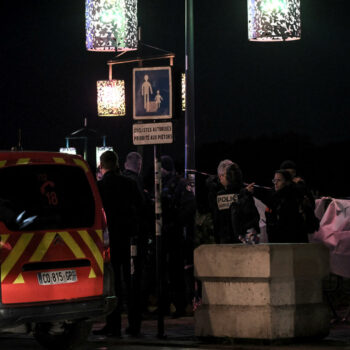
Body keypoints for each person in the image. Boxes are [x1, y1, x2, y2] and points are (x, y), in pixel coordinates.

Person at [94, 150, 143, 337]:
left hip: (108, 241)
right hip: (129, 240)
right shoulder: (129, 184)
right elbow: (141, 206)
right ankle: (134, 325)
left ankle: (113, 325)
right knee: (131, 283)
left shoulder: (100, 187)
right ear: (117, 164)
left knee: (112, 285)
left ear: (101, 165)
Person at [160, 155, 196, 317]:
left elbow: (189, 208)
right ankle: (166, 305)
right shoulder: (160, 183)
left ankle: (180, 305)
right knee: (163, 271)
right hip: (163, 233)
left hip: (176, 234)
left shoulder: (181, 184)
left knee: (176, 271)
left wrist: (175, 222)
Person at [207, 160, 260, 244]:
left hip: (226, 241)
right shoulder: (245, 193)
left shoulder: (218, 195)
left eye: (222, 175)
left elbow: (216, 220)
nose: (220, 178)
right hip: (244, 241)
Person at [263, 169, 308, 243]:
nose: (275, 183)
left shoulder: (293, 197)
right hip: (276, 240)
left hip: (292, 240)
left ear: (287, 182)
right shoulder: (273, 197)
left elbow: (291, 223)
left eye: (279, 180)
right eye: (274, 180)